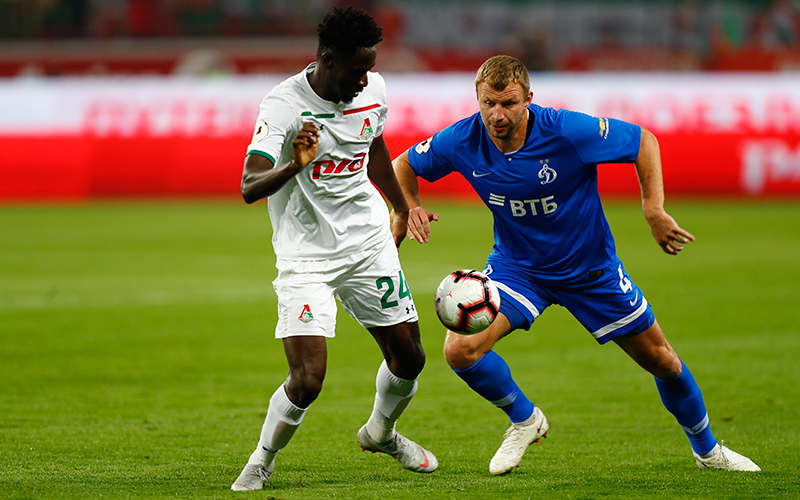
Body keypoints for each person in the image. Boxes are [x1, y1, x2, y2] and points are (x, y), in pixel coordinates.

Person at [392, 55, 760, 475]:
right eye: (488, 103)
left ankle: (708, 451)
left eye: (508, 103)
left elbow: (643, 142)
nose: (497, 115)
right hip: (518, 269)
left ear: (528, 99)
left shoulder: (567, 131)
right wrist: (407, 206)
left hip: (589, 271)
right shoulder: (461, 139)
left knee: (663, 361)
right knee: (460, 350)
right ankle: (525, 419)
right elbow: (404, 164)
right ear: (477, 100)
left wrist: (653, 208)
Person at [230, 6, 437, 491]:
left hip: (367, 243)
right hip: (306, 256)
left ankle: (380, 433)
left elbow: (374, 144)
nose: (365, 81)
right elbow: (248, 184)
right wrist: (293, 165)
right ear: (327, 61)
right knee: (308, 380)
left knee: (410, 358)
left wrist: (401, 206)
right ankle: (262, 460)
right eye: (356, 71)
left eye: (369, 69)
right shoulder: (283, 106)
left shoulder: (373, 90)